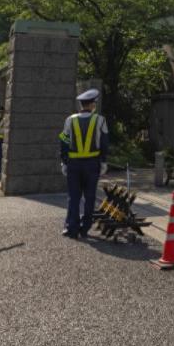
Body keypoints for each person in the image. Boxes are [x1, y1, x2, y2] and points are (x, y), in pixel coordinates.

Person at [57, 88, 109, 238]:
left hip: (74, 164)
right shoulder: (100, 120)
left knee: (74, 197)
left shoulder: (70, 120)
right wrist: (104, 162)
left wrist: (64, 162)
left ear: (81, 104)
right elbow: (104, 142)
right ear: (92, 104)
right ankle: (85, 228)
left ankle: (71, 228)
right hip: (92, 164)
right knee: (90, 197)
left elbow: (63, 141)